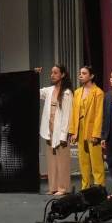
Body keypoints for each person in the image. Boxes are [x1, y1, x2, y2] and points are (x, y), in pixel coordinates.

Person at [37, 64, 73, 195]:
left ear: (62, 75)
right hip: (49, 130)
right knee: (51, 161)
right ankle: (53, 187)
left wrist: (64, 135)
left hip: (60, 131)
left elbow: (67, 115)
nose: (52, 75)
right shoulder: (49, 90)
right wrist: (35, 75)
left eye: (55, 73)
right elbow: (34, 91)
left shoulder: (67, 93)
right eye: (51, 73)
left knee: (62, 161)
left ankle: (63, 188)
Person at [69, 66, 105, 189]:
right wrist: (73, 131)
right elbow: (74, 113)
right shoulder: (77, 92)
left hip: (92, 129)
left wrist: (96, 134)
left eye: (84, 73)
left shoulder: (98, 92)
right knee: (83, 162)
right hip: (80, 129)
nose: (81, 75)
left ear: (91, 76)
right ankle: (85, 188)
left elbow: (99, 114)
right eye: (80, 73)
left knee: (96, 162)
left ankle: (100, 188)